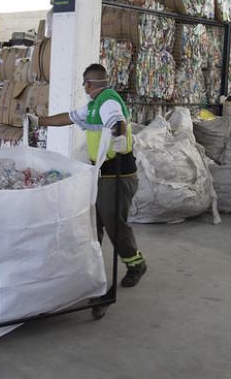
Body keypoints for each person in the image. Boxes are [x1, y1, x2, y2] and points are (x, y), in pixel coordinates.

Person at [32, 63, 147, 288]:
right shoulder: (94, 105)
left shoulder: (108, 101)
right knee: (95, 221)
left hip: (117, 174)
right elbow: (69, 117)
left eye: (85, 83)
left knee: (113, 223)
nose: (84, 87)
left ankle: (135, 264)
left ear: (89, 84)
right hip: (102, 173)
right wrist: (40, 121)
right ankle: (91, 265)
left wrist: (120, 136)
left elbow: (118, 122)